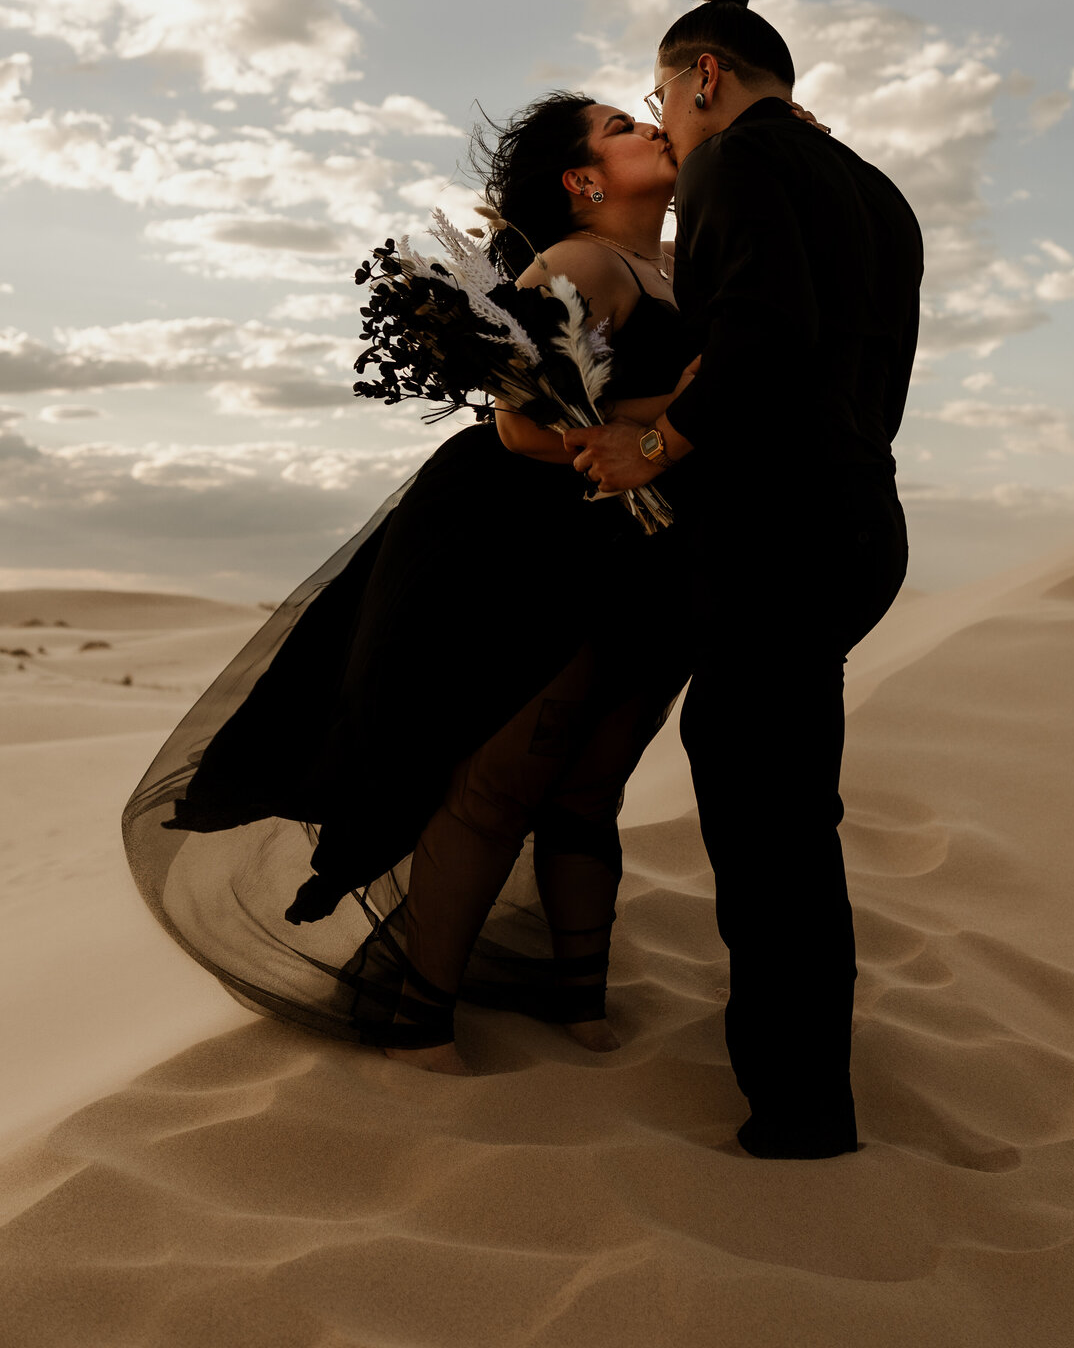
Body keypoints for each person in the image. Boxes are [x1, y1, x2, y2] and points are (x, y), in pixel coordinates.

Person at [123, 93, 695, 1076]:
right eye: (618, 126)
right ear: (583, 180)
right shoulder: (580, 262)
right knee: (502, 777)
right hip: (525, 540)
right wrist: (665, 422)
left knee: (591, 783)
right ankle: (419, 1020)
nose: (647, 127)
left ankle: (579, 1000)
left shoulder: (685, 265)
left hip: (642, 548)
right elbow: (522, 426)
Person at [565, 0, 924, 1159]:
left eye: (662, 92)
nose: (663, 120)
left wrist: (650, 446)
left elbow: (762, 340)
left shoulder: (735, 163)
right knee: (790, 812)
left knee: (769, 829)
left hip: (777, 534)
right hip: (864, 524)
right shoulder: (879, 191)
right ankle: (807, 1073)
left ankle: (801, 1108)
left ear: (704, 74)